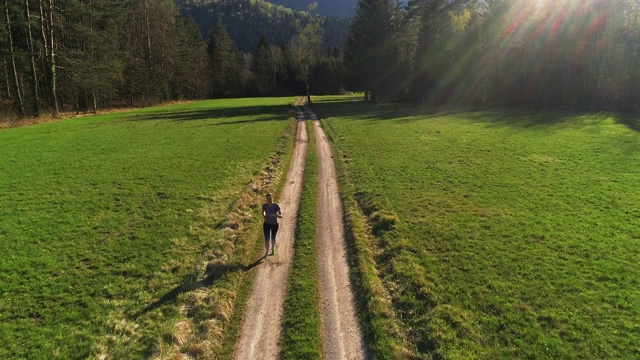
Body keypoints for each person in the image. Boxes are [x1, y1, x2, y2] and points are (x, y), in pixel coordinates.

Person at [262, 193, 282, 257]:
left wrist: (274, 215)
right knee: (266, 238)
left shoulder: (276, 206)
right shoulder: (264, 205)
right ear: (266, 199)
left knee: (273, 237)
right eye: (268, 198)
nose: (269, 199)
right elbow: (263, 212)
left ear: (272, 197)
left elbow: (280, 216)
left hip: (274, 224)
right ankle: (267, 252)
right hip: (266, 223)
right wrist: (264, 216)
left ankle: (273, 248)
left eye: (270, 198)